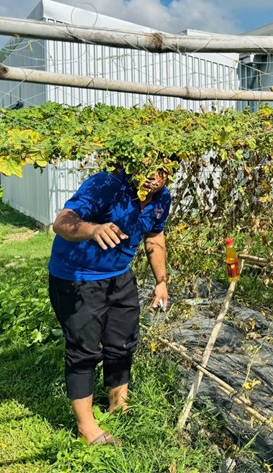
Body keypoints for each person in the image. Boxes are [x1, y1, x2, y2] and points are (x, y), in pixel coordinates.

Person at [48, 167, 171, 445]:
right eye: (148, 166)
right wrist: (93, 229)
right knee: (84, 350)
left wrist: (161, 281)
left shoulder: (162, 198)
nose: (153, 175)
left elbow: (154, 236)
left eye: (162, 170)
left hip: (119, 276)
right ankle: (87, 427)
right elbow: (61, 222)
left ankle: (119, 405)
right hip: (76, 278)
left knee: (123, 342)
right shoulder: (106, 184)